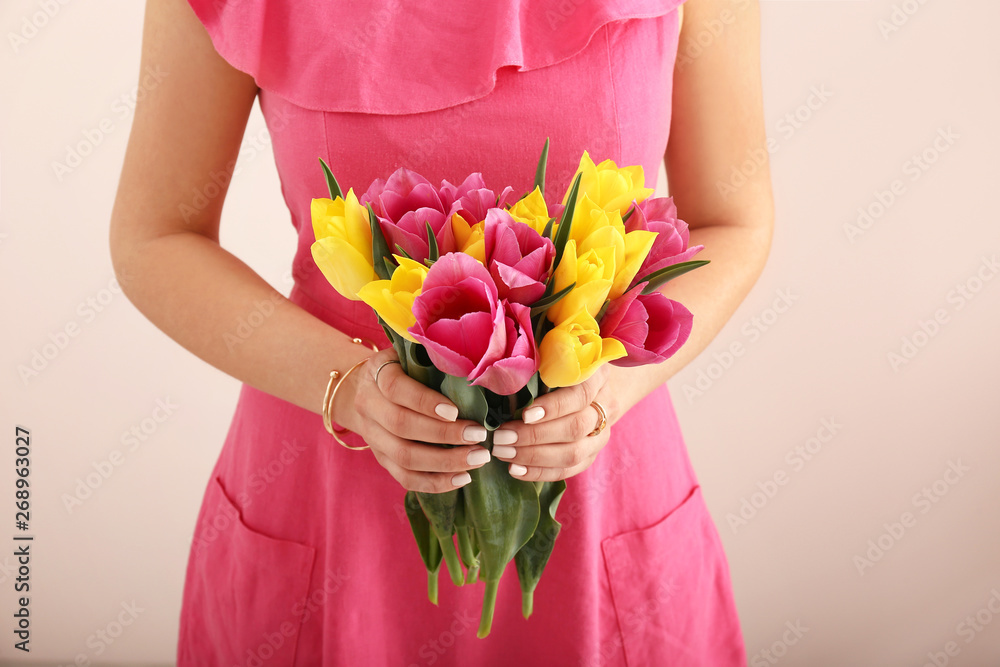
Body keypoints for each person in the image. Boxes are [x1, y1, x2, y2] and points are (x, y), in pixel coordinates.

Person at [110, 0, 773, 664]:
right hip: (328, 487)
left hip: (598, 470)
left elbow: (733, 218)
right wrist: (344, 388)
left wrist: (612, 389)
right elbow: (156, 234)